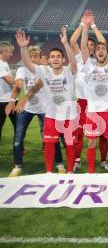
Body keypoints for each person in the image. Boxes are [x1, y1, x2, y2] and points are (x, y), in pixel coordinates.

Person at [16, 28, 79, 174]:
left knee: (70, 145)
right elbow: (28, 64)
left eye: (58, 56)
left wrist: (65, 43)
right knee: (50, 144)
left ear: (63, 60)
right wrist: (23, 48)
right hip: (51, 116)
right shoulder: (45, 71)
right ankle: (49, 172)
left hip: (68, 117)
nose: (55, 59)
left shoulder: (69, 71)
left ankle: (70, 171)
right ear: (49, 60)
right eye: (52, 57)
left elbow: (74, 62)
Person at [80, 9, 108, 173]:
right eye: (97, 48)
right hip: (92, 112)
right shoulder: (89, 66)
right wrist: (86, 26)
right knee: (91, 144)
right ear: (95, 52)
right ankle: (91, 172)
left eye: (103, 48)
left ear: (107, 52)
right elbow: (84, 48)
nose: (100, 50)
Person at [7, 46, 64, 176]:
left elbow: (38, 85)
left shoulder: (45, 70)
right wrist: (12, 99)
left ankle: (59, 164)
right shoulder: (22, 69)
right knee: (18, 138)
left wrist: (24, 99)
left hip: (45, 109)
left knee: (52, 138)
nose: (33, 58)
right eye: (31, 56)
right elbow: (19, 85)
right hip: (27, 108)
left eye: (36, 56)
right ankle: (17, 166)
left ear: (40, 58)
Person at [70, 17, 108, 171]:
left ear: (95, 49)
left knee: (101, 134)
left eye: (91, 46)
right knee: (79, 133)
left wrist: (93, 25)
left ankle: (102, 160)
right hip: (82, 102)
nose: (88, 47)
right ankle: (76, 160)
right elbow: (73, 41)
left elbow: (103, 42)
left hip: (97, 102)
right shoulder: (78, 58)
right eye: (86, 45)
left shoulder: (98, 60)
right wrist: (83, 24)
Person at [0, 41, 16, 141]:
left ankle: (19, 147)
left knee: (18, 124)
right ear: (4, 51)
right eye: (10, 52)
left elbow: (10, 81)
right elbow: (9, 79)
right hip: (1, 101)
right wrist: (19, 81)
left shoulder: (4, 63)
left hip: (10, 99)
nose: (12, 54)